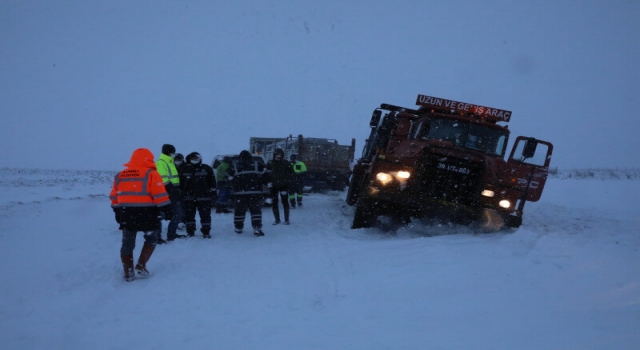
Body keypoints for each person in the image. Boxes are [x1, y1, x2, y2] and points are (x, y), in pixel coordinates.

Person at [110, 148, 174, 281]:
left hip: (126, 214)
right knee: (151, 239)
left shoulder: (120, 175)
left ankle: (128, 272)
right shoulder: (151, 174)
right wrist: (167, 210)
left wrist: (117, 212)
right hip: (148, 214)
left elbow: (114, 196)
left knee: (127, 244)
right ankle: (141, 265)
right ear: (149, 159)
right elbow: (159, 195)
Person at [180, 152, 216, 238]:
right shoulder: (184, 169)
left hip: (204, 197)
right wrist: (181, 194)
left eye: (196, 158)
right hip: (189, 198)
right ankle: (190, 232)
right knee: (189, 216)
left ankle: (206, 232)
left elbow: (212, 182)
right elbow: (180, 184)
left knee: (205, 216)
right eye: (193, 159)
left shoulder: (206, 168)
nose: (195, 160)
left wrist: (213, 194)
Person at [231, 150, 267, 236]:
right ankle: (257, 227)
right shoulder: (257, 164)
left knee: (239, 211)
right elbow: (265, 177)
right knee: (255, 211)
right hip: (255, 193)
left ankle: (238, 227)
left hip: (240, 194)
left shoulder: (235, 166)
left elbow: (229, 177)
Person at [155, 144, 186, 242]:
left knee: (178, 214)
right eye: (173, 152)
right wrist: (172, 189)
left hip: (174, 192)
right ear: (168, 152)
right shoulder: (161, 163)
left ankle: (171, 235)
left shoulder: (170, 162)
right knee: (160, 215)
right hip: (165, 193)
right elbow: (163, 179)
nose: (174, 154)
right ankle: (157, 237)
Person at [265, 148, 294, 225]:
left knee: (285, 202)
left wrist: (288, 181)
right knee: (274, 202)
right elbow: (266, 174)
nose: (278, 156)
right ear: (274, 155)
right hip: (274, 186)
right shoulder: (270, 163)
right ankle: (277, 219)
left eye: (280, 154)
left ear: (282, 155)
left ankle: (286, 219)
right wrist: (268, 182)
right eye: (277, 154)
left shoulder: (286, 163)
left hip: (283, 186)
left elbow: (291, 173)